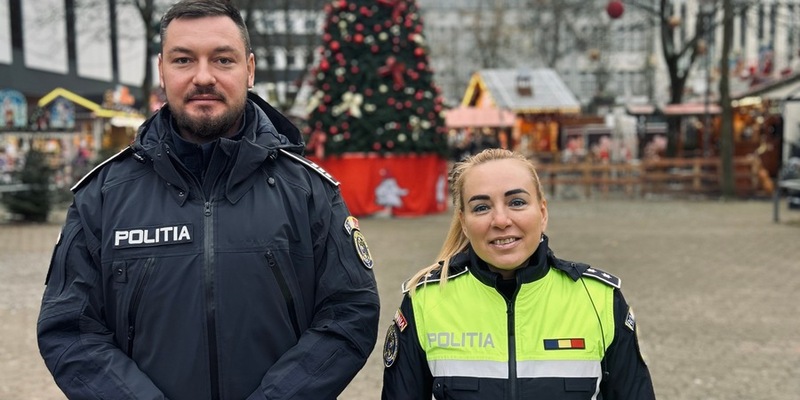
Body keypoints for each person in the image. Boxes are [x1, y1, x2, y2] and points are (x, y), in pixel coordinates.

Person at [37, 1, 380, 399]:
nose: (203, 77)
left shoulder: (308, 191)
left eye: (223, 60)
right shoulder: (102, 195)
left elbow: (349, 314)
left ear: (249, 70)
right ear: (162, 70)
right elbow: (70, 330)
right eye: (183, 60)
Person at [382, 148, 655, 399]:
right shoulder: (425, 302)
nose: (501, 220)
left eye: (517, 202)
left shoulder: (599, 299)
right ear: (464, 222)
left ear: (542, 212)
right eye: (481, 207)